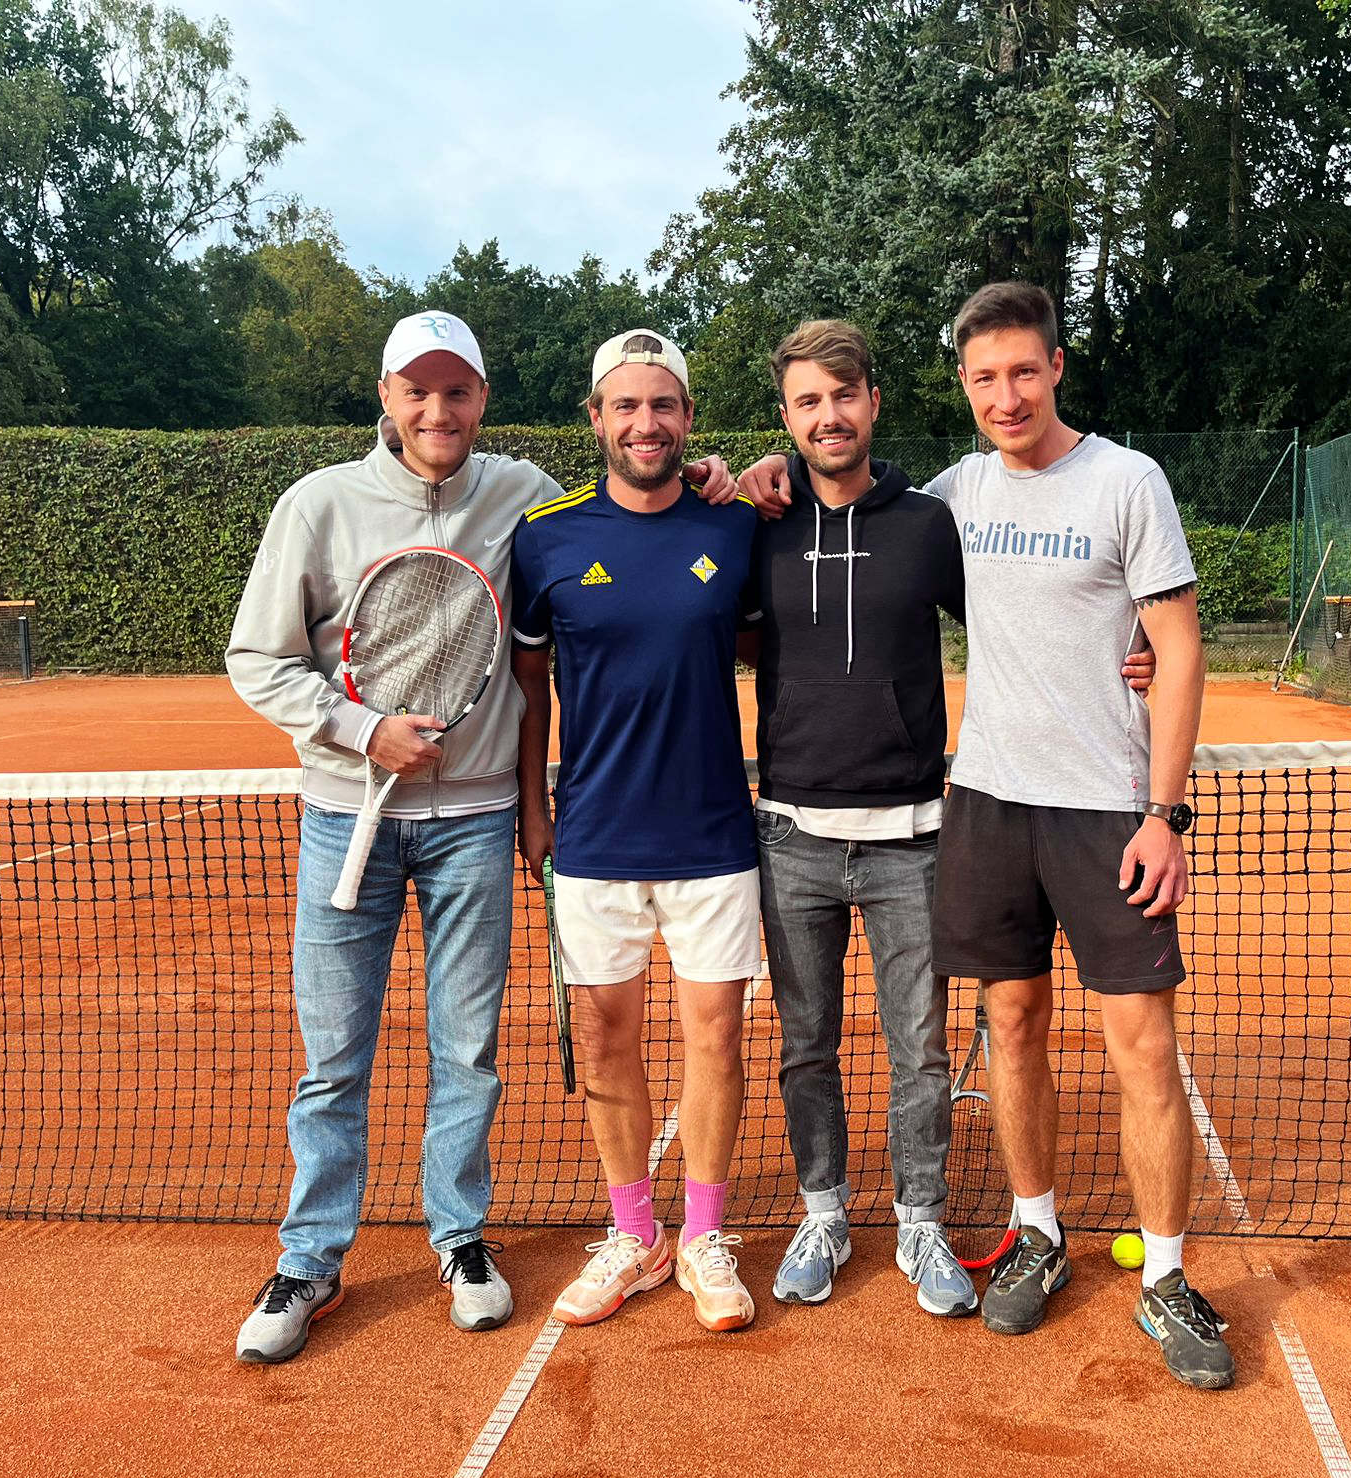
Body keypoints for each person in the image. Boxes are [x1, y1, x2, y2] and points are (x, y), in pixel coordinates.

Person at [738, 282, 1229, 1389]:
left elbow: (1177, 644)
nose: (1003, 395)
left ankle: (1164, 1278)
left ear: (1054, 366)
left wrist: (1164, 812)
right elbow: (842, 521)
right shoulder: (949, 495)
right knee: (1010, 1029)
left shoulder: (1121, 481)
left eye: (1020, 371)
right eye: (981, 377)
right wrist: (752, 479)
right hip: (986, 804)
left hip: (1108, 808)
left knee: (1141, 1048)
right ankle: (1038, 1235)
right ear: (958, 387)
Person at [226, 312, 735, 1364]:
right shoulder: (316, 505)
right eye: (417, 391)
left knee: (468, 1053)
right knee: (334, 1060)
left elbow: (642, 491)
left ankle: (459, 1239)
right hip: (344, 823)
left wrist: (735, 472)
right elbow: (258, 658)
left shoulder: (520, 502)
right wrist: (362, 728)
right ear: (385, 395)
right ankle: (310, 1259)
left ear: (482, 401)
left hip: (471, 825)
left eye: (455, 392)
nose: (436, 410)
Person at [509, 329, 763, 1333]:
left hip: (712, 836)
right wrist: (534, 809)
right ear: (595, 419)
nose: (644, 423)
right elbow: (530, 693)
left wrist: (766, 474)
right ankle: (633, 1235)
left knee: (716, 1036)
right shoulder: (545, 539)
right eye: (625, 405)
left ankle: (701, 1236)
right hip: (596, 840)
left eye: (662, 406)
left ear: (686, 419)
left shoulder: (739, 527)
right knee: (608, 1043)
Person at [742, 319, 977, 1317]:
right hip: (790, 835)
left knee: (918, 1048)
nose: (827, 416)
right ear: (787, 417)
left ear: (872, 402)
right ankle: (823, 1212)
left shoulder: (927, 525)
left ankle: (920, 1222)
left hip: (913, 835)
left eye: (843, 395)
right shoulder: (757, 525)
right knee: (805, 1045)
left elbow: (1010, 625)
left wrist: (1128, 646)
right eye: (806, 401)